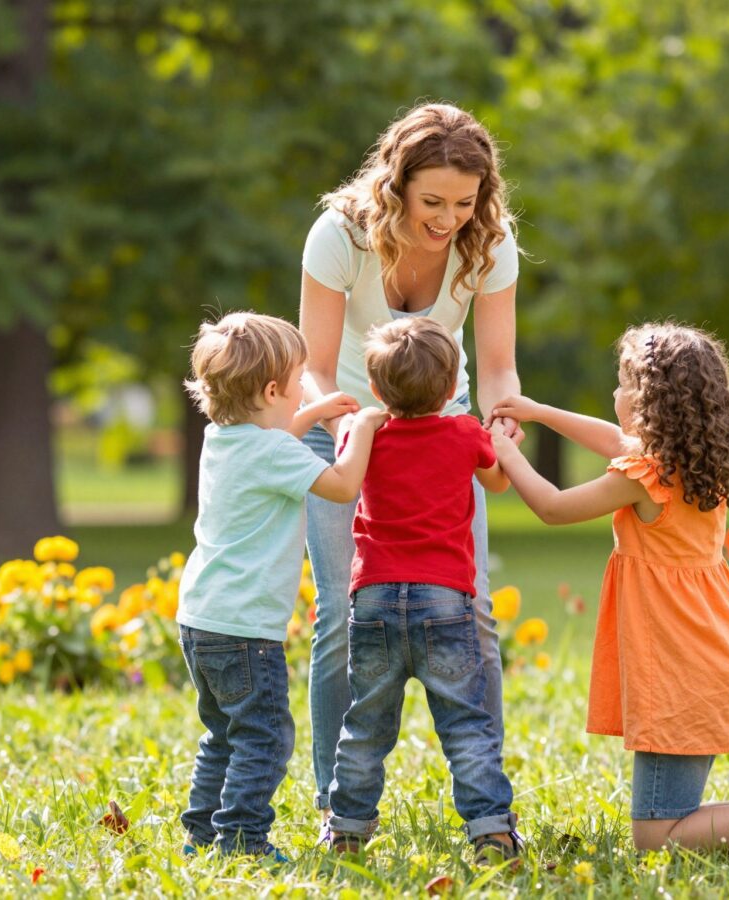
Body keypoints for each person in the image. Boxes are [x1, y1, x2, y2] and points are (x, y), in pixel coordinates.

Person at [487, 322, 729, 853]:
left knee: (656, 838)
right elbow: (612, 438)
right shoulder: (691, 464)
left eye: (624, 383)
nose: (616, 394)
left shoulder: (644, 476)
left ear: (650, 400)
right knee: (663, 826)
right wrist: (539, 412)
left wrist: (505, 453)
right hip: (704, 653)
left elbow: (552, 507)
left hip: (678, 670)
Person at [299, 103, 523, 824]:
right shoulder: (340, 236)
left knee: (474, 609)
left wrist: (501, 426)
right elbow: (313, 367)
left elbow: (497, 369)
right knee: (343, 611)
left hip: (440, 430)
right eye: (433, 202)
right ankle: (334, 799)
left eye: (464, 202)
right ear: (395, 186)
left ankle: (487, 796)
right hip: (343, 431)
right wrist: (356, 436)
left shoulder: (488, 244)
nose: (449, 218)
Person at [177, 311, 388, 859]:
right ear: (272, 390)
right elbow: (342, 486)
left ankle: (202, 832)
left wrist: (313, 411)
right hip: (247, 631)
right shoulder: (275, 453)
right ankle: (242, 839)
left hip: (202, 619)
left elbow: (273, 437)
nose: (302, 393)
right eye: (298, 385)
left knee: (223, 735)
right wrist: (361, 427)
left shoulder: (222, 440)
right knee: (265, 739)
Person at [326, 318, 520, 863]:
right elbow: (499, 482)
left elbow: (347, 463)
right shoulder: (464, 434)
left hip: (374, 598)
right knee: (464, 724)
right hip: (446, 601)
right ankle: (491, 834)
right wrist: (500, 438)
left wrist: (362, 417)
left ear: (379, 389)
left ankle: (346, 830)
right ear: (452, 383)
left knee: (365, 723)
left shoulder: (367, 432)